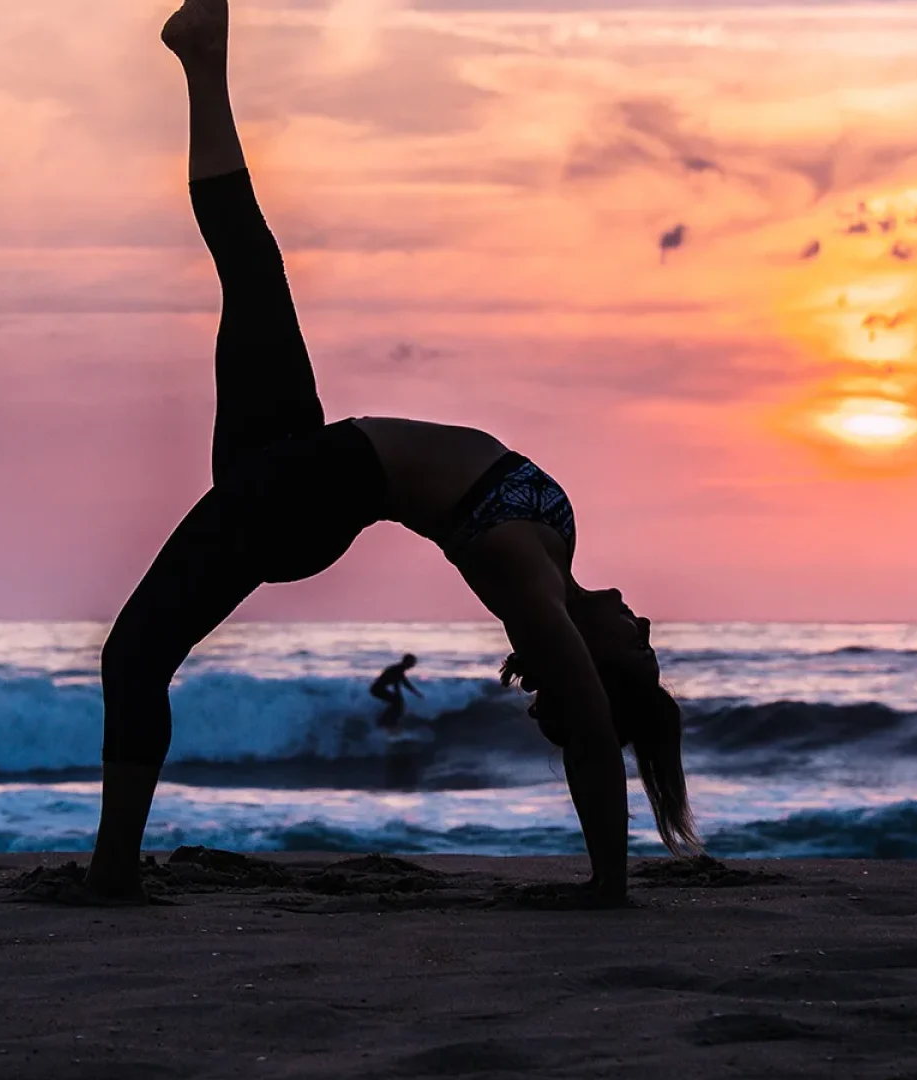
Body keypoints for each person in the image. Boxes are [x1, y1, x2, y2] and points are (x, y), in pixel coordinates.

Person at [82, 0, 698, 907]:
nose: (644, 629)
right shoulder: (554, 546)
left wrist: (610, 880)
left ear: (595, 664)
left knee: (134, 658)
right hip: (305, 459)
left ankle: (111, 875)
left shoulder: (526, 577)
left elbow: (594, 731)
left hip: (307, 496)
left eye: (639, 655)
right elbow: (598, 711)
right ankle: (202, 60)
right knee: (252, 266)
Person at [370, 654, 422, 732]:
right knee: (398, 703)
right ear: (406, 662)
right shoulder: (397, 670)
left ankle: (387, 721)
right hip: (376, 689)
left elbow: (405, 683)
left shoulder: (400, 669)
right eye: (412, 663)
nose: (413, 665)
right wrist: (399, 699)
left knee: (397, 703)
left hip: (378, 689)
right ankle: (386, 722)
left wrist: (416, 692)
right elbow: (396, 685)